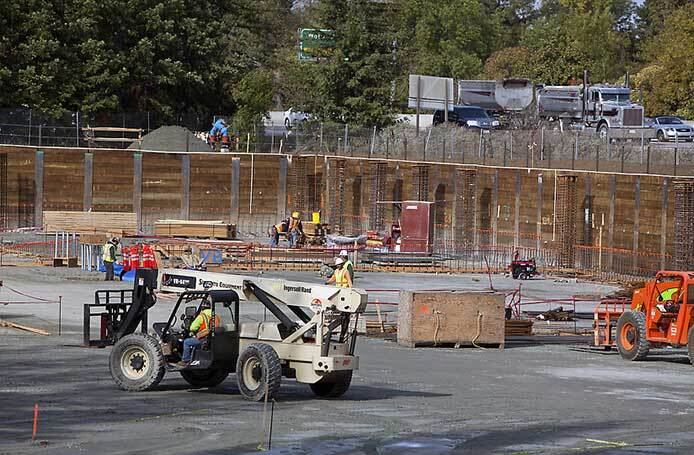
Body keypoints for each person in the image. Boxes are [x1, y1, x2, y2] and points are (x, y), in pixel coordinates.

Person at [180, 300, 218, 366]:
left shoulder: (202, 316)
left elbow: (193, 328)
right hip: (213, 339)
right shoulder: (215, 315)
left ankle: (185, 360)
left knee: (186, 342)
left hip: (203, 339)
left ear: (202, 308)